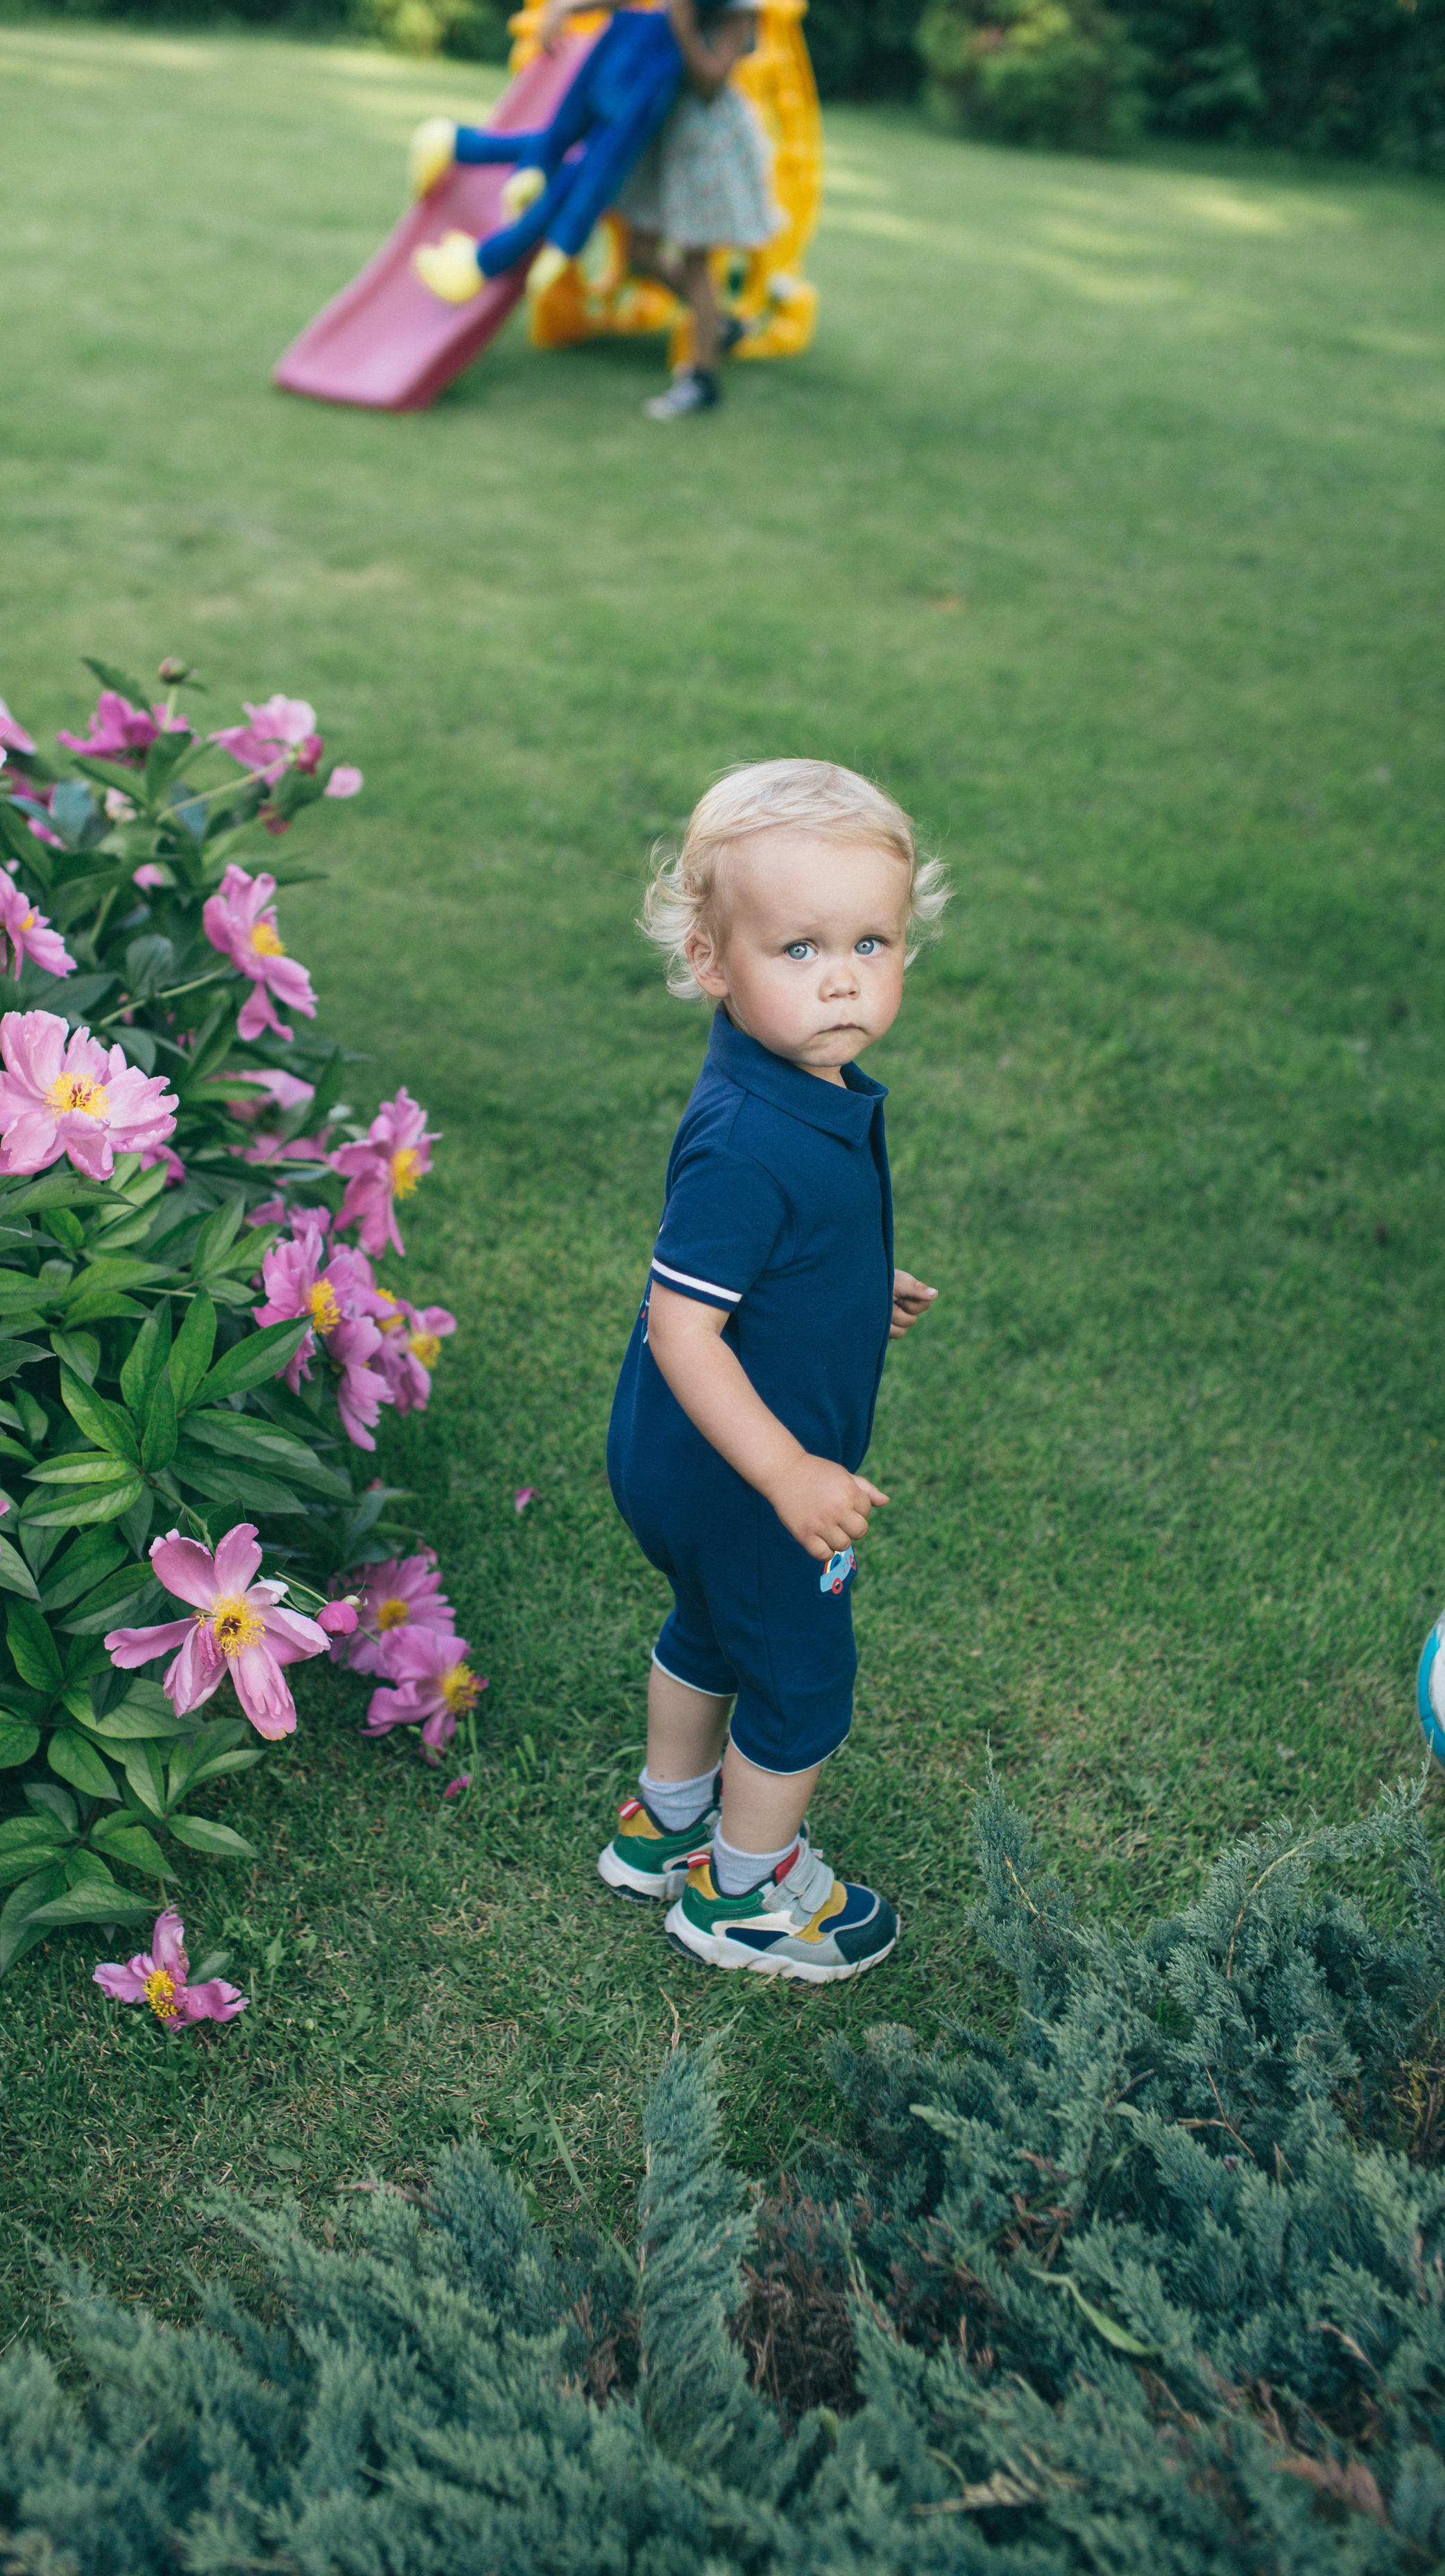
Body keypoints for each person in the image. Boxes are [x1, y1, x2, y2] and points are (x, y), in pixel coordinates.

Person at [601, 759, 946, 1980]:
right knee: (798, 1676)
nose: (845, 976)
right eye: (799, 949)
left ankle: (666, 1821)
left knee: (708, 1626)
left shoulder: (799, 1081)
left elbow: (767, 1262)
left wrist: (855, 1285)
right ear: (712, 960)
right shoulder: (751, 1141)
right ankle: (744, 1897)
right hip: (740, 1473)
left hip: (685, 1468)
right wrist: (791, 1474)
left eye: (873, 941)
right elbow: (682, 1327)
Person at [537, 0, 783, 420]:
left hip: (704, 138)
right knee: (639, 253)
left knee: (697, 261)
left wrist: (685, 26)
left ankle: (702, 381)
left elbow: (714, 79)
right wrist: (562, 2)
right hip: (659, 127)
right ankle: (718, 323)